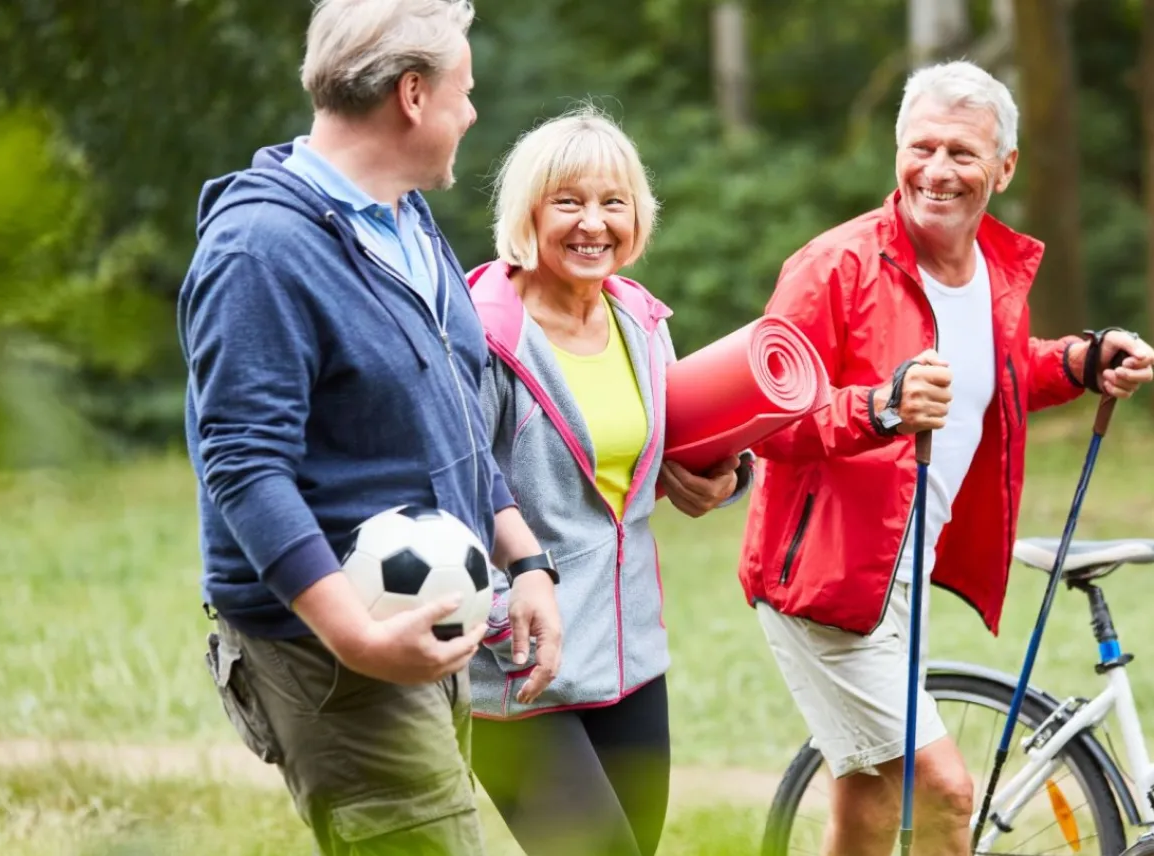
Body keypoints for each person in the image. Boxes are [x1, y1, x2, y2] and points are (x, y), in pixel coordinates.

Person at [736, 60, 1154, 855]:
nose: (937, 171)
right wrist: (880, 408)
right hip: (824, 584)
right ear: (896, 150)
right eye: (921, 147)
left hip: (905, 576)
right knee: (943, 791)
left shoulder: (994, 273)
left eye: (963, 153)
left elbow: (991, 375)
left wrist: (1080, 360)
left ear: (1004, 168)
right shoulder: (835, 266)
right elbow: (764, 417)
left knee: (864, 799)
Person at [177, 1, 563, 852]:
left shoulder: (403, 221)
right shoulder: (260, 251)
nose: (472, 113)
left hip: (419, 619)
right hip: (334, 647)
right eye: (465, 92)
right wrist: (355, 636)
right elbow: (242, 465)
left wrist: (523, 557)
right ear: (414, 95)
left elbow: (450, 416)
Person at [464, 105, 753, 856]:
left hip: (630, 662)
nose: (593, 223)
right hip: (520, 665)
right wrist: (498, 620)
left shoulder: (640, 323)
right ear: (528, 211)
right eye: (569, 202)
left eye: (612, 202)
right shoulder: (485, 337)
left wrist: (728, 474)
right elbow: (449, 489)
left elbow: (673, 445)